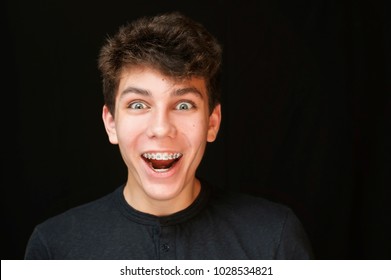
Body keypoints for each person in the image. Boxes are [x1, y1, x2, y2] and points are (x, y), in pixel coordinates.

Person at [24, 11, 313, 260]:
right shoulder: (55, 247)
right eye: (138, 105)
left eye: (183, 105)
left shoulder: (275, 237)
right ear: (111, 123)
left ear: (212, 123)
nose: (161, 128)